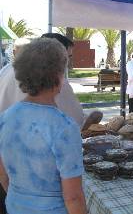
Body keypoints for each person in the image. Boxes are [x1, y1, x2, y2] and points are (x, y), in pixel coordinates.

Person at [0, 38, 87, 214]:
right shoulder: (64, 127)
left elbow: (3, 176)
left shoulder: (4, 118)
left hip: (15, 206)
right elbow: (73, 197)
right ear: (58, 77)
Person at [0, 33, 102, 131]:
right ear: (58, 54)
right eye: (69, 56)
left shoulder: (5, 70)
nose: (69, 61)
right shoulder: (54, 78)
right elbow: (74, 119)